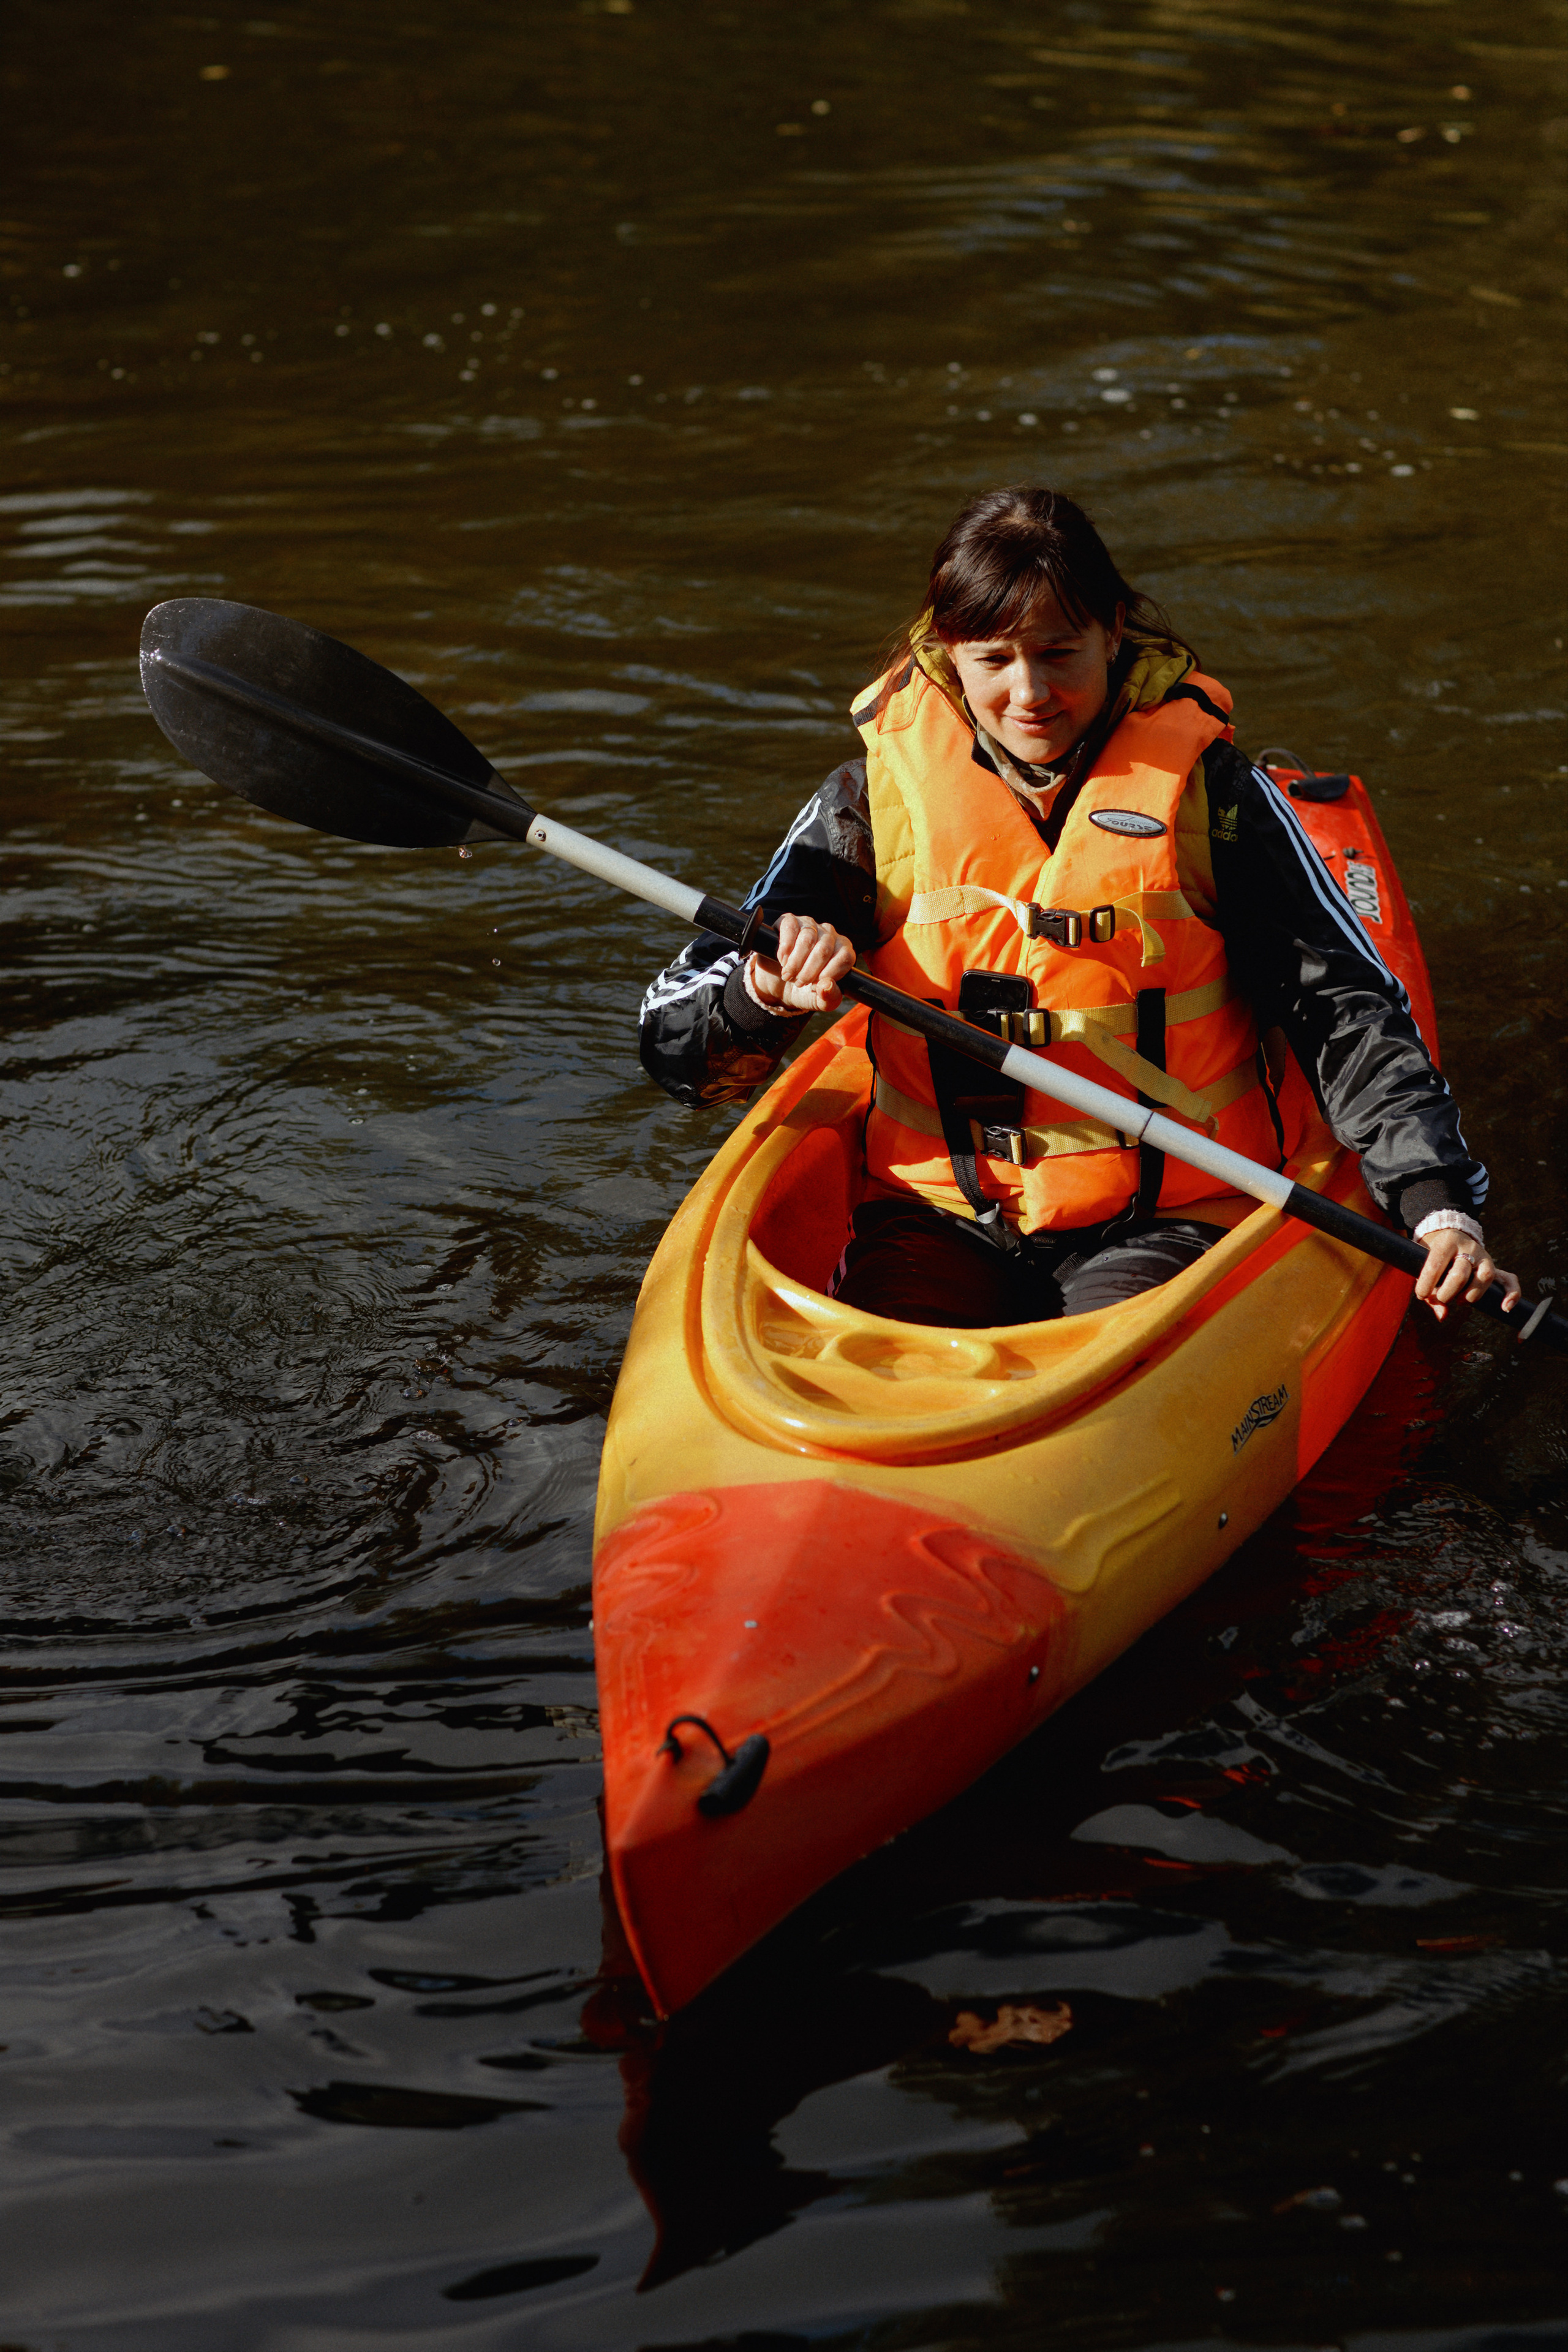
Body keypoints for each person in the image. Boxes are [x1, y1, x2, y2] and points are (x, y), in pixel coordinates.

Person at [639, 486, 1518, 1329]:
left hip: (1174, 1218)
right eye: (993, 661)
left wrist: (1438, 1207)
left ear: (1112, 634)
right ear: (948, 654)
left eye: (1059, 654)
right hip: (939, 1217)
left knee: (1099, 1359)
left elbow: (1342, 1011)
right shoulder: (866, 806)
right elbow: (674, 1051)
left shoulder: (1215, 801)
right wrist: (762, 990)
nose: (1029, 694)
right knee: (902, 1356)